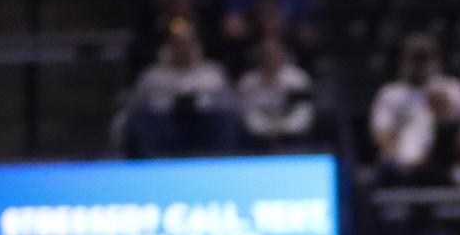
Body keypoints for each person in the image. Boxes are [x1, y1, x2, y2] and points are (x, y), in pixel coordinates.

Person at [370, 32, 460, 183]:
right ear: (405, 59)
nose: (421, 64)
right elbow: (381, 133)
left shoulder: (451, 87)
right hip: (406, 160)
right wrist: (399, 157)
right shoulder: (391, 93)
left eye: (426, 57)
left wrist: (443, 110)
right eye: (416, 57)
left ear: (435, 58)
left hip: (447, 154)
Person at [124, 19, 238, 156]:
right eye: (178, 43)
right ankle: (149, 167)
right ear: (169, 46)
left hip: (203, 129)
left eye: (187, 43)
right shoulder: (152, 76)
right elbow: (137, 106)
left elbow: (228, 105)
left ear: (196, 44)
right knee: (140, 120)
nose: (183, 47)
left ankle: (221, 164)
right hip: (165, 129)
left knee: (227, 119)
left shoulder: (213, 74)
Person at [238, 35, 316, 148]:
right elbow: (248, 116)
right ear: (258, 56)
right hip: (259, 138)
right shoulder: (248, 82)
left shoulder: (297, 79)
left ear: (282, 53)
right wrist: (268, 130)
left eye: (273, 53)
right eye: (265, 54)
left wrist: (284, 129)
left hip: (293, 136)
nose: (270, 58)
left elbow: (303, 113)